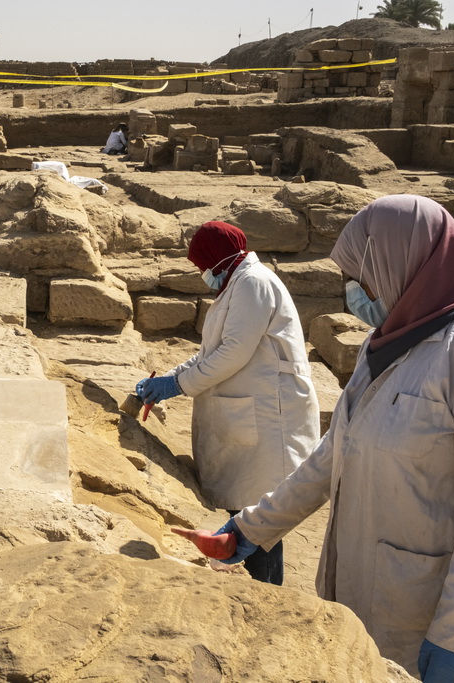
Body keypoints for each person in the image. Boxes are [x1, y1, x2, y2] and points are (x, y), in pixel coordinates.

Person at [215, 195, 454, 682]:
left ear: (402, 263)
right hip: (364, 596)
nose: (356, 294)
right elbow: (333, 454)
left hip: (433, 616)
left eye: (362, 279)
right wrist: (253, 528)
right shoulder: (388, 339)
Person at [136, 221, 320, 585]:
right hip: (250, 409)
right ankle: (258, 584)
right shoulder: (238, 282)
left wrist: (178, 385)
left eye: (202, 266)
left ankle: (267, 593)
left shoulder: (253, 283)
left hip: (269, 415)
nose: (203, 274)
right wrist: (171, 377)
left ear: (215, 259)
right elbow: (212, 351)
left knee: (260, 520)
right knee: (249, 517)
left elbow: (234, 352)